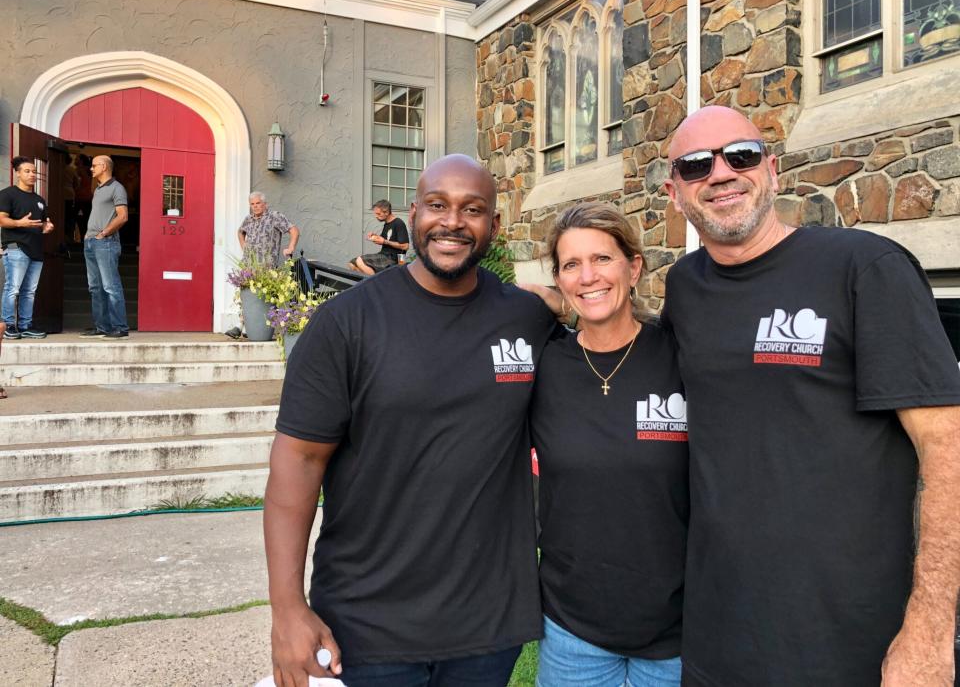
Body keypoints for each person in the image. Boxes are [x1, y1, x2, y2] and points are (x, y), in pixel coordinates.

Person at [660, 105, 960, 686]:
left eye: (740, 155)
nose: (720, 173)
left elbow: (947, 452)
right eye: (696, 166)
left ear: (773, 169)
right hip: (718, 637)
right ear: (676, 194)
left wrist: (928, 629)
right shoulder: (685, 287)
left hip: (850, 643)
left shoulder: (864, 268)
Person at [264, 154, 556, 687]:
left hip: (489, 623)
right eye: (437, 205)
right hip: (367, 624)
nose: (453, 222)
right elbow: (297, 462)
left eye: (473, 210)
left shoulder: (527, 318)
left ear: (494, 224)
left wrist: (573, 298)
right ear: (413, 213)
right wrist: (287, 609)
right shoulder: (347, 322)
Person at [529, 202, 686, 687]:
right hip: (572, 629)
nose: (588, 276)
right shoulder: (543, 366)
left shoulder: (682, 355)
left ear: (634, 267)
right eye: (571, 265)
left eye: (602, 259)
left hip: (679, 631)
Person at [225, 192, 299, 339]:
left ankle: (253, 328)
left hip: (267, 267)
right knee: (247, 296)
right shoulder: (249, 219)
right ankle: (243, 326)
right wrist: (244, 247)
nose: (255, 207)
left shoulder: (274, 217)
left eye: (258, 203)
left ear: (265, 204)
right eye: (252, 204)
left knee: (262, 298)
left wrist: (291, 247)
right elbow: (240, 232)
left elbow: (294, 230)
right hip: (249, 265)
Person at [0, 157, 55, 339]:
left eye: (34, 172)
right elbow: (2, 219)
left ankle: (25, 325)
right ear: (18, 173)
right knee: (13, 288)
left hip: (36, 251)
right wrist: (19, 223)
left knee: (29, 291)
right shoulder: (7, 194)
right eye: (27, 171)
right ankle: (8, 325)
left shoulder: (40, 200)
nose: (32, 175)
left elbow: (43, 224)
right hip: (16, 248)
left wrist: (47, 227)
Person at [81, 155, 129, 339]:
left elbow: (123, 216)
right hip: (91, 242)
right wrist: (89, 236)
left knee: (110, 286)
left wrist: (104, 233)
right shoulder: (98, 190)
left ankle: (120, 327)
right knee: (95, 287)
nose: (91, 169)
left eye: (94, 166)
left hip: (105, 243)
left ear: (104, 166)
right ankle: (103, 327)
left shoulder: (117, 188)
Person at [348, 199, 409, 275]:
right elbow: (384, 240)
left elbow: (405, 246)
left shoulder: (398, 223)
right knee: (352, 264)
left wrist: (384, 241)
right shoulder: (387, 224)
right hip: (383, 255)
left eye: (378, 214)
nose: (376, 216)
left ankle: (376, 283)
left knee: (360, 260)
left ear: (386, 212)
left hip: (392, 259)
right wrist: (375, 236)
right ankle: (369, 283)